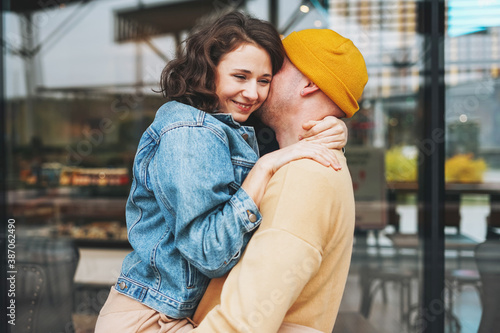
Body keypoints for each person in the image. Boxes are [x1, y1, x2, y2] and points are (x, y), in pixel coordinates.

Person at [94, 12, 348, 333]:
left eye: (265, 80)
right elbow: (209, 254)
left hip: (178, 312)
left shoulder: (231, 124)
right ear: (208, 70)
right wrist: (265, 167)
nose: (253, 93)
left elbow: (293, 125)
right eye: (240, 76)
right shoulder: (190, 131)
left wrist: (334, 127)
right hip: (149, 317)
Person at [191, 28, 369, 333]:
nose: (264, 74)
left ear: (310, 83)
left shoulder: (303, 177)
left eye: (276, 65)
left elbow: (243, 322)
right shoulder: (314, 161)